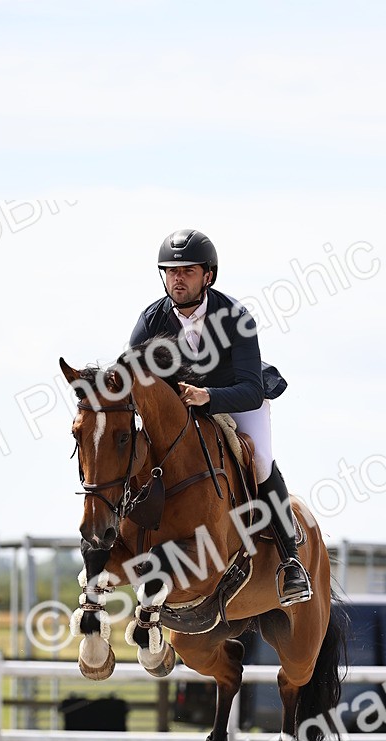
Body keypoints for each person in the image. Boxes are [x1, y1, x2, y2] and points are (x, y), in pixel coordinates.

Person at [129, 228, 312, 606]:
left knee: (260, 461)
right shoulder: (151, 321)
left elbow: (251, 390)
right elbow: (133, 379)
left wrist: (207, 396)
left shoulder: (235, 317)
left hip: (237, 400)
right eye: (171, 271)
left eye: (188, 271)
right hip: (182, 410)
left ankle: (290, 560)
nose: (178, 279)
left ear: (208, 275)